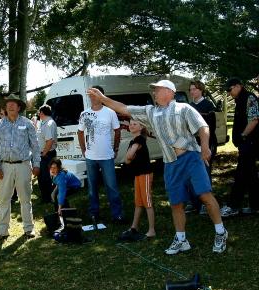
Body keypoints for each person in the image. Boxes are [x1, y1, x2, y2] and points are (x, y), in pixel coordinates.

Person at [87, 79, 228, 254]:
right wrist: (102, 98)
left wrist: (205, 147)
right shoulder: (150, 112)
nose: (154, 92)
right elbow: (123, 108)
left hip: (191, 157)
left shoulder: (184, 108)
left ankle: (221, 232)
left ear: (169, 91)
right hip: (170, 163)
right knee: (176, 203)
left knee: (205, 196)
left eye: (157, 89)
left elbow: (203, 127)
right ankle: (181, 239)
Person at [0, 94, 41, 241]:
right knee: (4, 200)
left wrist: (36, 164)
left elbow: (36, 147)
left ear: (19, 107)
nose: (11, 105)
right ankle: (2, 230)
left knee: (25, 199)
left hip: (24, 166)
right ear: (5, 107)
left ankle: (28, 229)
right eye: (8, 103)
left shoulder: (27, 124)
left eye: (14, 103)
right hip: (5, 167)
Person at [77, 85, 125, 224]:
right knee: (92, 187)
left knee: (112, 187)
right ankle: (94, 214)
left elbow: (117, 130)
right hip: (91, 157)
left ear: (101, 96)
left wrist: (115, 148)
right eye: (90, 94)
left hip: (107, 157)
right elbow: (80, 132)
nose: (92, 97)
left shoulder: (110, 112)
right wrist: (83, 149)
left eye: (95, 94)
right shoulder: (84, 114)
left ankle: (117, 215)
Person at [221, 78, 259, 217]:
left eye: (229, 89)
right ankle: (255, 206)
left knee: (241, 174)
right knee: (251, 175)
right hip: (245, 144)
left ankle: (233, 206)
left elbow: (254, 119)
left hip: (250, 143)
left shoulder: (250, 98)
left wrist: (243, 136)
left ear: (238, 86)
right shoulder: (240, 100)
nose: (228, 92)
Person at [119, 120, 155, 241]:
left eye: (135, 124)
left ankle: (152, 230)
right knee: (138, 202)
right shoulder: (132, 141)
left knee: (147, 202)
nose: (131, 125)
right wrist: (130, 155)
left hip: (145, 174)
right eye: (131, 124)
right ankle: (134, 227)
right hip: (137, 174)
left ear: (141, 127)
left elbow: (129, 156)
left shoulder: (139, 139)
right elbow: (127, 160)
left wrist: (131, 155)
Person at [186, 80, 217, 215]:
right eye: (191, 89)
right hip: (192, 146)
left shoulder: (208, 105)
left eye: (195, 89)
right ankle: (194, 203)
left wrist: (206, 145)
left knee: (205, 173)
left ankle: (206, 204)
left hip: (206, 145)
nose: (193, 92)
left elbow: (211, 128)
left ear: (201, 90)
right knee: (191, 174)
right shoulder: (189, 106)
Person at [36, 104, 58, 203]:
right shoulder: (45, 122)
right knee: (43, 177)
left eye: (39, 112)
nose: (38, 114)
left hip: (47, 155)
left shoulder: (48, 123)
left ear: (41, 113)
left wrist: (44, 153)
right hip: (45, 154)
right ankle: (46, 197)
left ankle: (48, 198)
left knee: (46, 178)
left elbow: (49, 141)